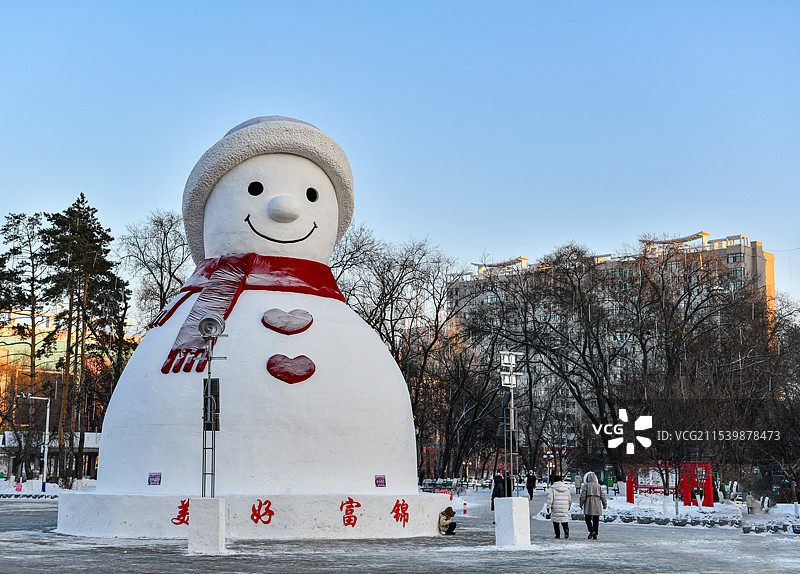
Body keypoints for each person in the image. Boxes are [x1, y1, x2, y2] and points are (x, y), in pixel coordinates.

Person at [580, 471, 607, 540]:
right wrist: (604, 504)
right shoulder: (598, 486)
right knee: (596, 519)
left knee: (587, 518)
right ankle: (595, 534)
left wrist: (581, 503)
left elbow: (583, 496)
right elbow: (602, 496)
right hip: (597, 502)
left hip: (588, 502)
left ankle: (591, 531)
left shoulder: (586, 485)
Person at [546, 474, 571, 539]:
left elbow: (550, 498)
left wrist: (548, 506)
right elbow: (569, 498)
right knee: (564, 519)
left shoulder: (553, 488)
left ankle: (557, 535)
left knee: (556, 521)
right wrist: (569, 506)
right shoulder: (566, 488)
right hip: (564, 507)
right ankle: (566, 530)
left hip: (555, 507)